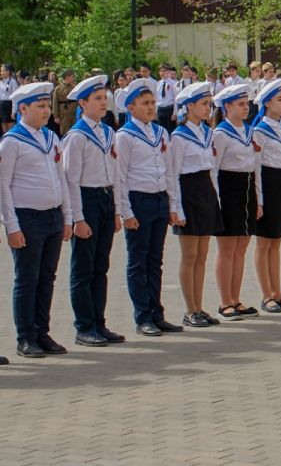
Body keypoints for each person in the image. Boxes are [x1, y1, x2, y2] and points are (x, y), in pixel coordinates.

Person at [0, 82, 73, 359]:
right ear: (22, 109)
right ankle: (25, 337)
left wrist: (66, 216)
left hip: (52, 215)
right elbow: (3, 185)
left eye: (46, 106)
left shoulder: (51, 138)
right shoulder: (12, 142)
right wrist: (12, 225)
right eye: (40, 106)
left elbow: (60, 179)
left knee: (47, 278)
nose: (46, 111)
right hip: (27, 218)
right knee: (27, 279)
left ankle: (42, 331)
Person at [114, 79, 181, 337]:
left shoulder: (161, 133)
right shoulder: (124, 136)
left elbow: (169, 171)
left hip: (158, 199)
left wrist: (172, 205)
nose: (151, 107)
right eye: (145, 104)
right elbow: (120, 177)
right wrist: (126, 212)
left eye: (153, 102)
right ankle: (142, 316)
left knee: (156, 261)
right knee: (138, 261)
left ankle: (157, 312)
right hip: (138, 200)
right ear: (130, 108)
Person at [63, 74, 124, 347]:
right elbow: (71, 180)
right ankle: (84, 326)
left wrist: (116, 211)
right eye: (97, 99)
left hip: (105, 198)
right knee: (83, 268)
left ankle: (99, 323)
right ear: (83, 103)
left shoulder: (108, 132)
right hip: (85, 200)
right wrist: (78, 218)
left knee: (101, 265)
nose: (103, 103)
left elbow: (115, 174)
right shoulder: (76, 137)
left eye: (105, 98)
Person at [170, 81, 222, 328]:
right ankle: (189, 309)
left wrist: (216, 198)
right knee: (189, 255)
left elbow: (212, 170)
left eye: (209, 104)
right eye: (203, 104)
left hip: (205, 193)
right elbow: (174, 174)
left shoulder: (207, 133)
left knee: (202, 255)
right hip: (188, 195)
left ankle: (199, 307)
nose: (207, 109)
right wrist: (176, 208)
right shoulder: (178, 137)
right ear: (189, 106)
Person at [251, 78, 281, 313]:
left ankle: (277, 292)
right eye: (280, 100)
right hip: (268, 185)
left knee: (276, 243)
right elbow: (257, 168)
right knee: (264, 243)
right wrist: (259, 199)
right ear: (267, 103)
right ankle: (266, 294)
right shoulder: (260, 131)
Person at [212, 84, 259, 321]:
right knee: (227, 248)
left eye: (247, 103)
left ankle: (236, 298)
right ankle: (224, 302)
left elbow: (254, 166)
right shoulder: (221, 133)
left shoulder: (248, 131)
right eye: (240, 104)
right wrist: (217, 201)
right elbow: (214, 169)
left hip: (247, 189)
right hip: (229, 190)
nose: (246, 108)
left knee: (241, 247)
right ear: (227, 107)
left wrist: (257, 199)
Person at [53, 70, 78, 135]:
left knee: (74, 132)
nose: (73, 79)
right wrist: (56, 116)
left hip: (73, 113)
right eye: (72, 77)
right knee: (64, 133)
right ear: (67, 77)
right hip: (63, 114)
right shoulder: (58, 89)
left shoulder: (74, 88)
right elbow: (55, 103)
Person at [156, 65, 178, 132]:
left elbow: (176, 99)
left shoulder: (173, 83)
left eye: (164, 71)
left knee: (170, 131)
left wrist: (175, 113)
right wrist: (156, 112)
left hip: (169, 109)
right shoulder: (158, 83)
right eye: (160, 71)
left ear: (168, 72)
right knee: (161, 131)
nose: (162, 73)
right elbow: (156, 98)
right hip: (160, 109)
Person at [0, 63, 18, 134]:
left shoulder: (13, 82)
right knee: (5, 132)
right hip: (1, 107)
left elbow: (15, 97)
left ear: (8, 72)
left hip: (9, 106)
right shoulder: (1, 82)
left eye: (3, 71)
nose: (1, 72)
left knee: (11, 131)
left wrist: (13, 112)